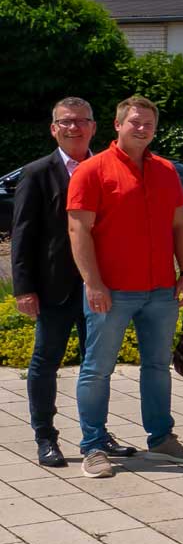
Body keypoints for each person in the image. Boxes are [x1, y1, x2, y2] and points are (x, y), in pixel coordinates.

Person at [66, 96, 183, 477]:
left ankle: (161, 439)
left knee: (157, 367)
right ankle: (93, 446)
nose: (141, 129)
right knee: (97, 369)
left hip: (160, 290)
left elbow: (179, 226)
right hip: (111, 290)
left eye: (148, 124)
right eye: (134, 122)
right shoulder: (91, 171)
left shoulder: (165, 172)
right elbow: (79, 231)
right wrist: (93, 283)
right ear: (118, 125)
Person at [12, 97, 113, 468]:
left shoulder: (106, 168)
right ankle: (45, 437)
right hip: (54, 289)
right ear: (54, 128)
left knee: (97, 366)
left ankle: (97, 435)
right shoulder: (37, 173)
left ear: (93, 127)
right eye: (66, 122)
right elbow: (23, 235)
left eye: (81, 121)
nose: (74, 128)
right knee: (45, 363)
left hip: (100, 287)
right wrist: (23, 289)